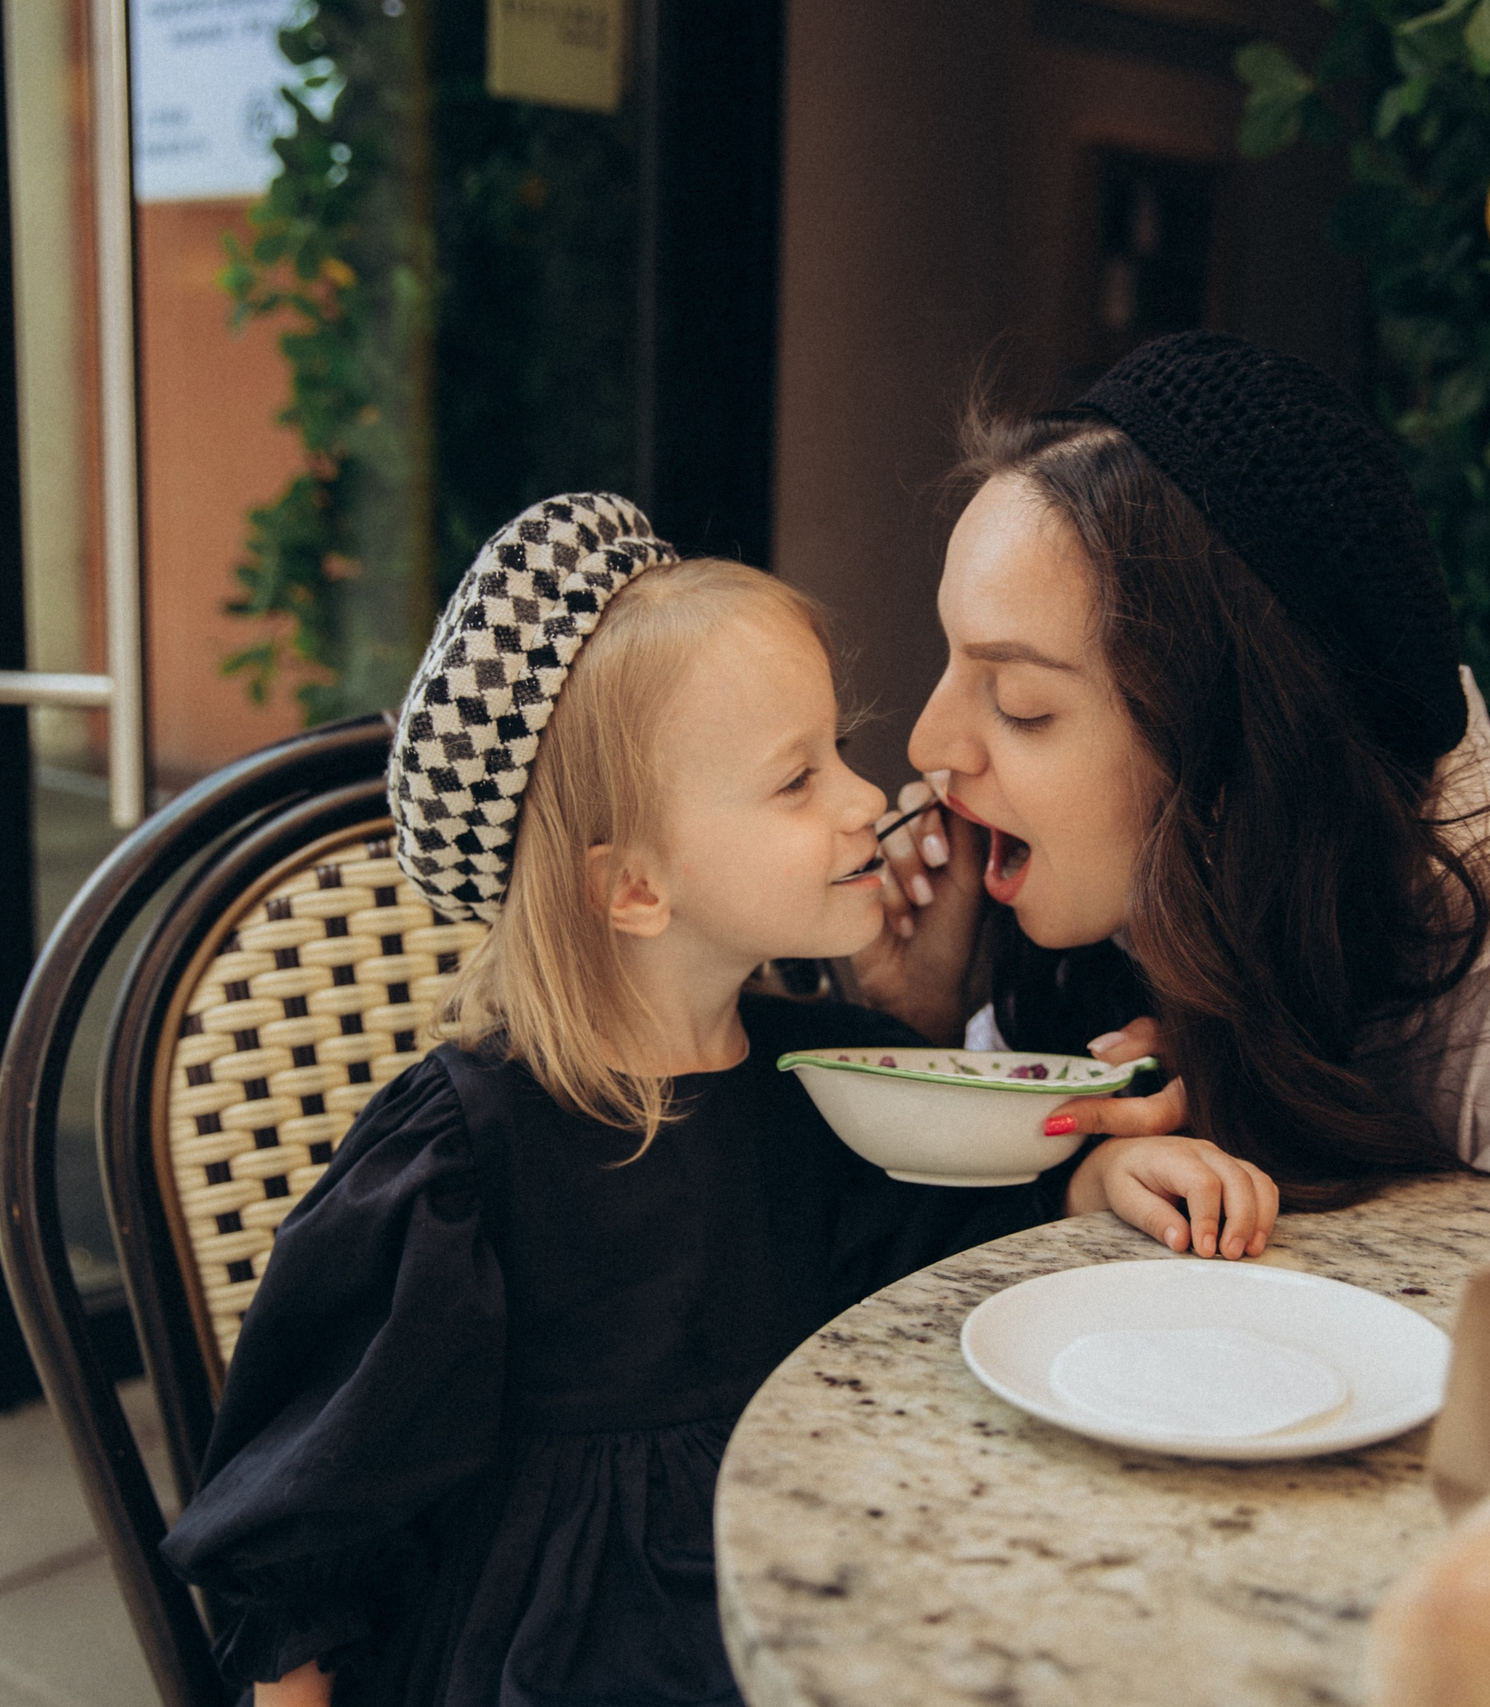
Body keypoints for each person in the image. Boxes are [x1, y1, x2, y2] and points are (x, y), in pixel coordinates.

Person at [160, 494, 1272, 1707]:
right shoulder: (463, 1162)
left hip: (811, 1587)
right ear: (633, 887)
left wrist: (1094, 1176)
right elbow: (317, 1518)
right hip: (560, 1656)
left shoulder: (830, 1078)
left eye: (839, 751)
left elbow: (937, 1241)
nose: (866, 797)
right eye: (798, 780)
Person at [860, 333, 1490, 1205]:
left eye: (1022, 705)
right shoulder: (1153, 892)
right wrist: (919, 1014)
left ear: (1231, 744)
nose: (927, 746)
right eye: (950, 661)